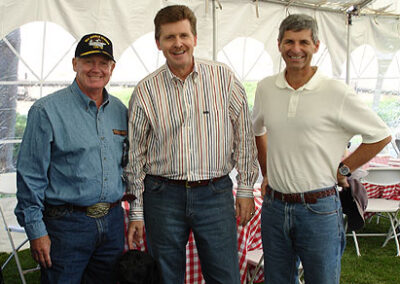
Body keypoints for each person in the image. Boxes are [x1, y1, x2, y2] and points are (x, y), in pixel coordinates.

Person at [252, 14, 391, 284]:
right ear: (279, 44)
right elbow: (258, 130)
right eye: (289, 41)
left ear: (316, 45)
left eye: (304, 42)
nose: (296, 49)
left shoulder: (336, 92)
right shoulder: (266, 88)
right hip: (274, 208)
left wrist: (344, 168)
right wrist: (267, 172)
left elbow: (381, 135)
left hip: (319, 208)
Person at [124, 5, 259, 284]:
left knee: (225, 276)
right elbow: (135, 157)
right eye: (169, 37)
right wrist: (136, 211)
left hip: (215, 192)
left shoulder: (224, 79)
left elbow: (244, 137)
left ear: (195, 38)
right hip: (162, 196)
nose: (178, 43)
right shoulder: (145, 91)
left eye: (184, 35)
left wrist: (245, 188)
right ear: (158, 42)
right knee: (166, 276)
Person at [15, 33, 127, 283]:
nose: (96, 69)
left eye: (103, 62)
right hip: (66, 226)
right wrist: (36, 231)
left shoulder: (120, 111)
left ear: (112, 68)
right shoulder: (46, 110)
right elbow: (30, 177)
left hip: (112, 224)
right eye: (89, 61)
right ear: (75, 63)